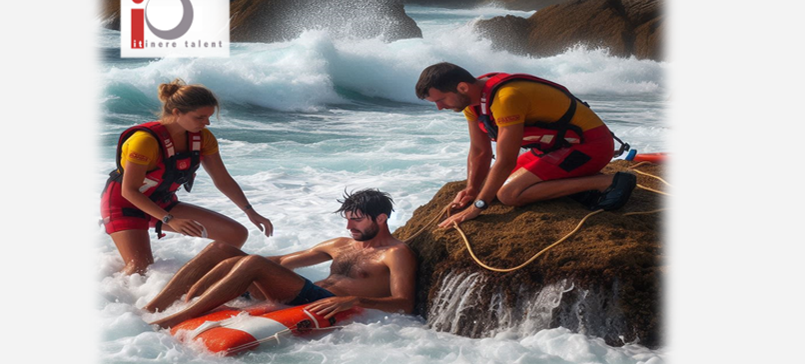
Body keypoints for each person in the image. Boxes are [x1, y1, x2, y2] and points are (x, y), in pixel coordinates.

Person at [143, 189, 416, 329]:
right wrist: (236, 261)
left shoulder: (395, 254)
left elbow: (404, 304)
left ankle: (177, 318)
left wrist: (354, 300)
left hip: (322, 303)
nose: (348, 228)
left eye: (356, 221)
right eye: (347, 220)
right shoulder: (340, 244)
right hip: (291, 292)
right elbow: (283, 262)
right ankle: (157, 307)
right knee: (221, 250)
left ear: (381, 219)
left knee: (252, 262)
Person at [415, 62, 637, 229]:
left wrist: (478, 207)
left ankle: (608, 181)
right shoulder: (472, 102)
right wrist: (473, 190)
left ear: (462, 87)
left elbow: (505, 160)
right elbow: (480, 151)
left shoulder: (505, 98)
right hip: (556, 149)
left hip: (590, 147)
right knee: (488, 185)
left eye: (440, 100)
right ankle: (584, 186)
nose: (439, 108)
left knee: (509, 194)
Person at [102, 79, 274, 276]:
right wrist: (170, 219)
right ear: (177, 113)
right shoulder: (144, 141)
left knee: (235, 234)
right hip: (125, 204)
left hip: (161, 202)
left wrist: (250, 211)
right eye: (200, 117)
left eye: (209, 117)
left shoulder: (203, 138)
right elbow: (129, 190)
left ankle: (198, 279)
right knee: (140, 269)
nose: (206, 123)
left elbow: (222, 179)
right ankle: (125, 300)